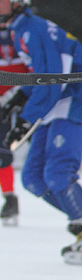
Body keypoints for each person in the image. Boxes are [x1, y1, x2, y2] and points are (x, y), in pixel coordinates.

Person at [0, 0, 82, 264]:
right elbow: (37, 77)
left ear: (18, 0)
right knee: (32, 179)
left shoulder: (33, 29)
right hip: (54, 104)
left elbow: (51, 79)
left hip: (74, 101)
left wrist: (26, 120)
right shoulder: (20, 30)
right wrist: (16, 99)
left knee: (57, 173)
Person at [0, 25, 29, 227]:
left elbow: (31, 70)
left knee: (2, 153)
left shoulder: (21, 34)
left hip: (8, 104)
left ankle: (10, 198)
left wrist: (14, 96)